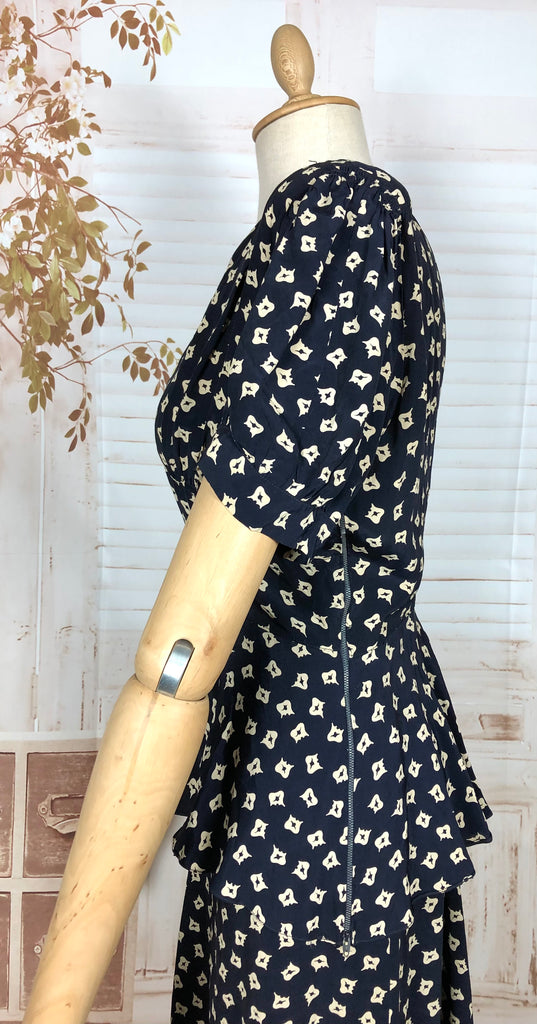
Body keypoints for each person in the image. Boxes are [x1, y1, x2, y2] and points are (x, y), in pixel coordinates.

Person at [23, 24, 492, 1024]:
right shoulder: (299, 242)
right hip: (287, 720)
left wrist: (51, 1003)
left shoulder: (343, 224)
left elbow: (186, 642)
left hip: (319, 747)